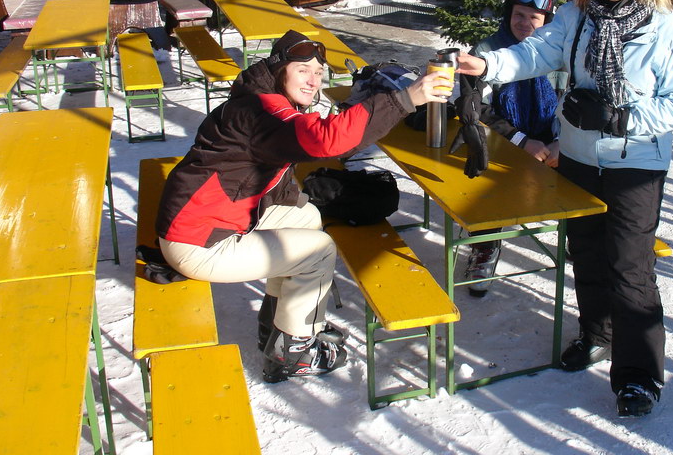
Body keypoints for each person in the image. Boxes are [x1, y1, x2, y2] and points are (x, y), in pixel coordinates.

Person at [456, 0, 673, 416]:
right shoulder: (574, 19)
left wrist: (618, 119)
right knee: (586, 254)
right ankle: (597, 333)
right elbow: (532, 55)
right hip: (575, 159)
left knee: (630, 267)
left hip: (635, 164)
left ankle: (637, 376)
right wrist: (488, 64)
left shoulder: (667, 30)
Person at [155, 29, 451, 381]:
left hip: (201, 222)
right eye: (303, 70)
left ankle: (278, 326)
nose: (313, 80)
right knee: (320, 250)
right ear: (280, 69)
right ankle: (294, 353)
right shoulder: (265, 110)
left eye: (318, 73)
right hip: (200, 242)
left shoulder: (258, 98)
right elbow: (327, 140)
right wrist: (405, 98)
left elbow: (292, 158)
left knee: (307, 216)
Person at [464, 0, 560, 297]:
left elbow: (570, 103)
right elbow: (478, 109)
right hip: (503, 139)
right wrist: (521, 141)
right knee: (487, 181)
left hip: (552, 142)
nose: (524, 23)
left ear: (547, 21)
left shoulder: (560, 56)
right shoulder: (487, 52)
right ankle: (485, 247)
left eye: (534, 18)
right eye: (519, 14)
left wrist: (561, 142)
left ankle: (580, 236)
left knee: (587, 166)